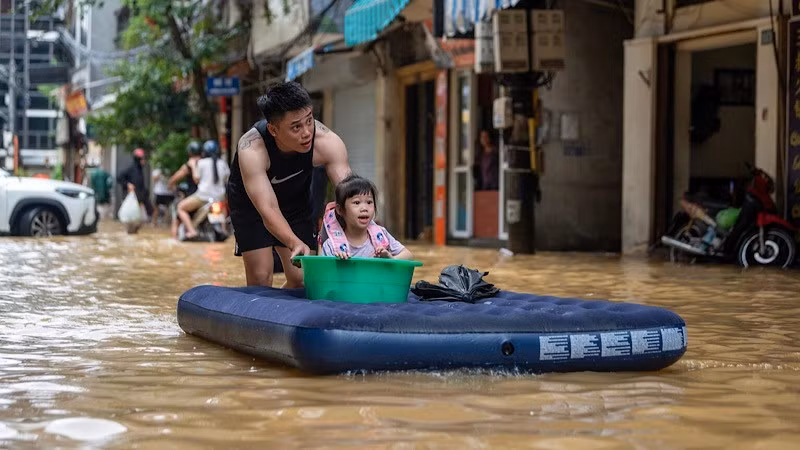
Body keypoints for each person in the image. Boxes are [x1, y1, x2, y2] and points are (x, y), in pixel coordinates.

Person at [226, 81, 351, 288]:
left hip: (296, 201)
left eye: (309, 120)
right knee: (261, 276)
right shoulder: (252, 149)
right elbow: (268, 209)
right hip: (253, 206)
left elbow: (350, 195)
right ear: (274, 130)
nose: (306, 132)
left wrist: (369, 234)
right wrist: (293, 242)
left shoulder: (328, 142)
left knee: (303, 280)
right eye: (296, 127)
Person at [319, 174, 412, 260]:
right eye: (356, 202)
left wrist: (391, 259)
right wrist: (336, 262)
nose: (364, 208)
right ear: (340, 210)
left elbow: (408, 255)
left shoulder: (381, 235)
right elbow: (322, 273)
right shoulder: (332, 245)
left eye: (369, 202)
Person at [176, 140, 230, 239]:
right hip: (219, 198)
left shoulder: (201, 163)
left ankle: (192, 231)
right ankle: (224, 230)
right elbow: (227, 180)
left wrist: (193, 166)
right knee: (223, 208)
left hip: (202, 197)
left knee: (180, 207)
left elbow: (196, 179)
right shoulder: (223, 163)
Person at [168, 140, 203, 237]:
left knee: (176, 221)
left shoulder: (188, 166)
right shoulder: (205, 163)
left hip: (193, 197)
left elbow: (173, 180)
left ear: (190, 152)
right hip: (209, 197)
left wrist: (171, 186)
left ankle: (174, 242)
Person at [117, 148, 153, 232]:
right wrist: (127, 184)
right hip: (133, 199)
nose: (144, 161)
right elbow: (119, 177)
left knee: (139, 222)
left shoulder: (139, 170)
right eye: (142, 159)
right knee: (131, 223)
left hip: (140, 200)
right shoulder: (131, 169)